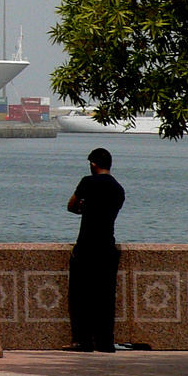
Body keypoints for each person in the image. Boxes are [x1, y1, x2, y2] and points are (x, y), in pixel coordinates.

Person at [67, 146, 125, 352]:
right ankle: (105, 342)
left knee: (82, 295)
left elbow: (71, 205)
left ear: (93, 164)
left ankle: (83, 340)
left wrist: (85, 208)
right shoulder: (118, 189)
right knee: (106, 297)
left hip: (86, 247)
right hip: (107, 247)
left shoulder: (87, 182)